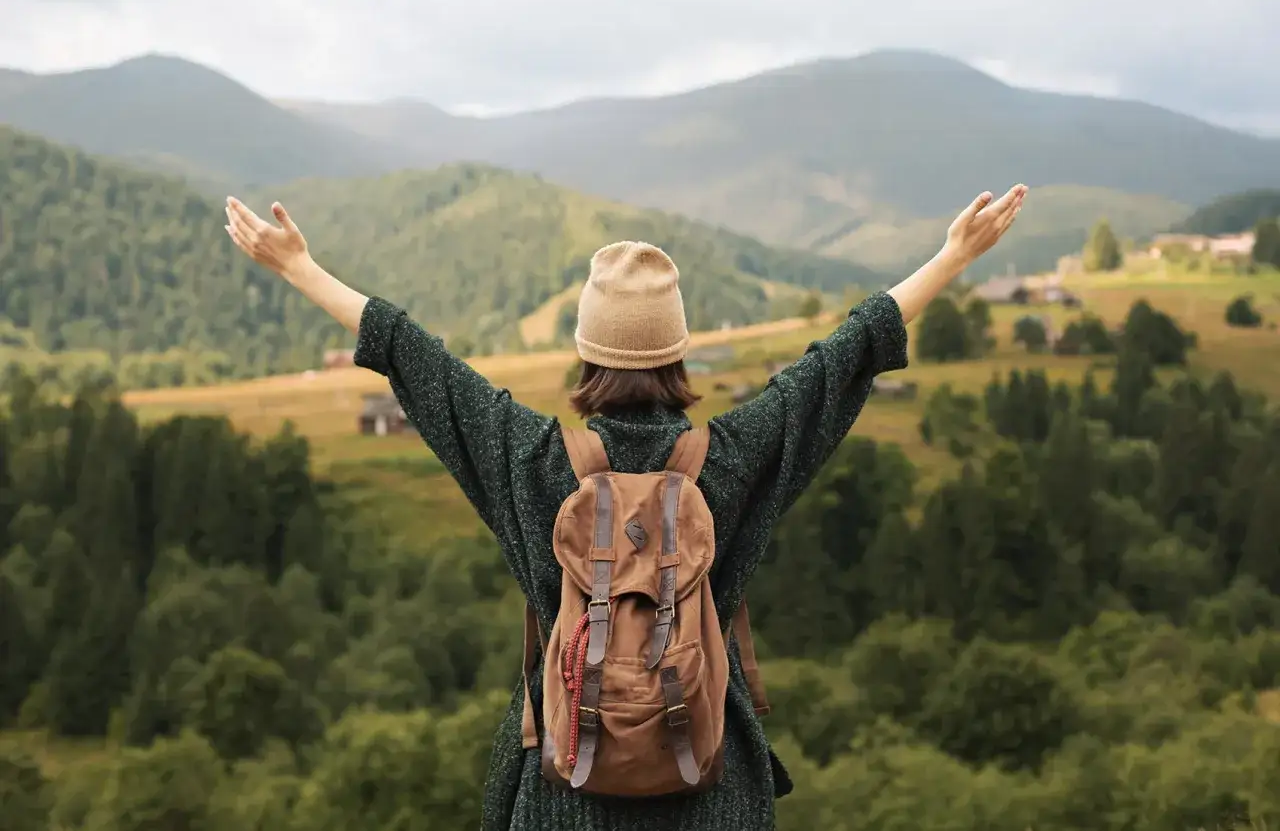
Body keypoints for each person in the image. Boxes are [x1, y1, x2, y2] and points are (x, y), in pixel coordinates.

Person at [224, 182, 1027, 830]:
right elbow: (845, 356)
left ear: (586, 351)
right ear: (677, 351)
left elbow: (414, 356)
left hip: (565, 785)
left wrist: (298, 266)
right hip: (713, 785)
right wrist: (953, 256)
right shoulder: (736, 454)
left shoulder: (532, 459)